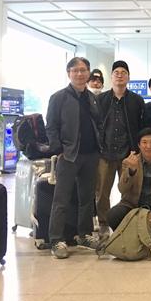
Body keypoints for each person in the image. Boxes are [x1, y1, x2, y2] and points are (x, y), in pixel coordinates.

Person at [46, 57, 102, 259]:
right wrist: (58, 149)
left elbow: (97, 123)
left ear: (88, 73)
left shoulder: (92, 97)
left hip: (91, 154)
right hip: (69, 155)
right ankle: (56, 239)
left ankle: (84, 234)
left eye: (83, 70)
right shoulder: (58, 97)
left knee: (87, 198)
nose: (80, 74)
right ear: (68, 73)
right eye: (75, 70)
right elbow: (51, 126)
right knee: (61, 199)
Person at [96, 60, 145, 238]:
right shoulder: (100, 99)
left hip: (128, 153)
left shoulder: (136, 100)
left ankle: (129, 220)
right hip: (105, 152)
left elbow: (141, 126)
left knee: (130, 189)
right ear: (111, 77)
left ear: (128, 77)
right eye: (116, 72)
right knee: (102, 191)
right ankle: (103, 222)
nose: (120, 75)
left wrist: (137, 150)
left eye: (123, 72)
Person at [106, 128, 151, 240]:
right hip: (132, 205)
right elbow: (122, 189)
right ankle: (130, 237)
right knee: (112, 216)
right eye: (144, 142)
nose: (148, 146)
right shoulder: (128, 162)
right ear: (139, 145)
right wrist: (131, 171)